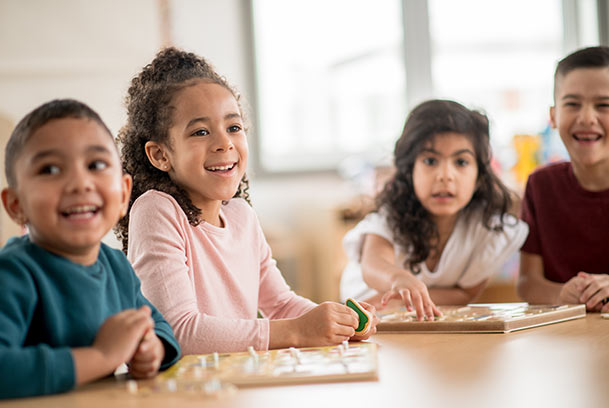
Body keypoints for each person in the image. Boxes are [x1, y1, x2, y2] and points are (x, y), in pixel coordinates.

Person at [115, 47, 377, 355]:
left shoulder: (241, 215)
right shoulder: (156, 210)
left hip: (236, 386)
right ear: (160, 155)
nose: (224, 143)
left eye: (234, 127)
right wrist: (297, 330)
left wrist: (338, 325)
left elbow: (281, 304)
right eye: (200, 131)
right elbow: (179, 331)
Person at [0, 99, 180, 400]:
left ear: (123, 194)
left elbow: (156, 322)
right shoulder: (14, 272)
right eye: (50, 169)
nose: (79, 183)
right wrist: (102, 356)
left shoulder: (116, 267)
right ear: (17, 206)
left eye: (95, 165)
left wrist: (153, 347)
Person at [340, 99, 529, 321]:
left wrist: (405, 299)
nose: (445, 175)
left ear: (479, 176)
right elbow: (372, 267)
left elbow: (465, 294)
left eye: (461, 162)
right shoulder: (390, 218)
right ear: (410, 171)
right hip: (366, 316)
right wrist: (398, 279)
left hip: (426, 319)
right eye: (430, 161)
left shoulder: (490, 230)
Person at [518, 46, 609, 312]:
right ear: (553, 116)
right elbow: (527, 283)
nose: (586, 118)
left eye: (604, 105)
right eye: (572, 104)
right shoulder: (540, 186)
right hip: (560, 340)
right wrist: (562, 293)